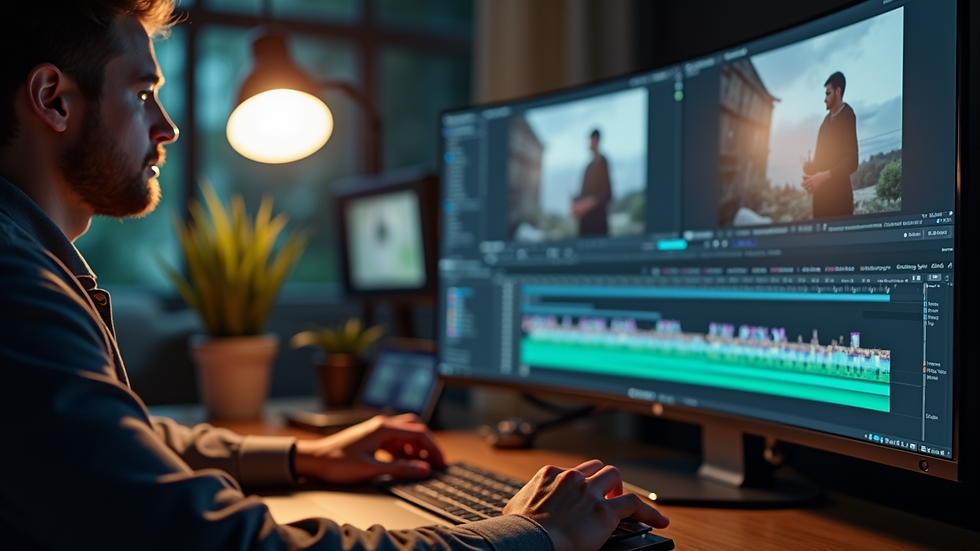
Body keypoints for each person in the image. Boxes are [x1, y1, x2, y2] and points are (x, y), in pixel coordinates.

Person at [0, 2, 668, 550]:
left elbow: (114, 446)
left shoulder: (27, 261)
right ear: (53, 99)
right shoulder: (18, 284)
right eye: (143, 92)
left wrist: (302, 457)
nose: (167, 125)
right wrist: (529, 534)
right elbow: (214, 543)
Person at [801, 71, 859, 218]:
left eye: (828, 93)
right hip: (820, 206)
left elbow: (852, 161)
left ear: (838, 91)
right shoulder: (824, 123)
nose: (824, 99)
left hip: (839, 205)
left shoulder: (847, 115)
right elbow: (821, 163)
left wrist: (823, 177)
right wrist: (811, 174)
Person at [571, 129, 612, 236]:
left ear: (595, 140)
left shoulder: (603, 162)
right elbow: (583, 193)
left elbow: (607, 193)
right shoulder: (588, 167)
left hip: (598, 225)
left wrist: (586, 204)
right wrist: (576, 204)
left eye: (591, 140)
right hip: (585, 226)